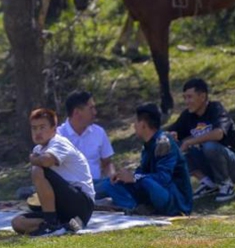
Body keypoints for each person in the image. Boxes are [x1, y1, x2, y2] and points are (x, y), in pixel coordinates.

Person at [12, 108, 95, 237]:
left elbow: (46, 161)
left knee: (37, 170)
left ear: (54, 128)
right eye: (34, 128)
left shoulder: (59, 142)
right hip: (64, 211)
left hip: (82, 206)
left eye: (42, 127)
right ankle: (61, 226)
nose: (38, 132)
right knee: (17, 223)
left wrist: (33, 159)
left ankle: (50, 225)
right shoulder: (38, 148)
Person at [100, 103, 193, 216]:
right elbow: (143, 172)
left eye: (136, 122)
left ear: (143, 125)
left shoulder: (164, 143)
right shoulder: (149, 144)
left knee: (145, 181)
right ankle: (133, 208)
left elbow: (163, 178)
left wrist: (134, 177)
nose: (134, 126)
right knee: (110, 183)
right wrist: (124, 176)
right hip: (154, 191)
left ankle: (135, 208)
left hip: (175, 200)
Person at [165, 78, 235, 203]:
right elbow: (171, 132)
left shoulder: (216, 109)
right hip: (210, 166)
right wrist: (169, 136)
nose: (186, 102)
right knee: (174, 146)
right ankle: (208, 184)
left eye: (190, 97)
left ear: (202, 96)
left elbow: (218, 134)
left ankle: (226, 185)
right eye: (185, 98)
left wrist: (189, 142)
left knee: (209, 146)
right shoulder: (187, 116)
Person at [57, 90, 115, 199]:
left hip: (95, 186)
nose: (95, 112)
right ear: (77, 112)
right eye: (91, 108)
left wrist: (112, 176)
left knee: (113, 185)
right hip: (69, 187)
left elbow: (107, 163)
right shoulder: (58, 136)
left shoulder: (99, 132)